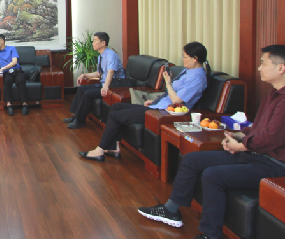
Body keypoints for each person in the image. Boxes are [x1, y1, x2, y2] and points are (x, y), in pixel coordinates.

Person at [137, 45, 285, 239]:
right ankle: (171, 210)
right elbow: (259, 128)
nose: (259, 68)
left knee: (213, 176)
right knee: (192, 160)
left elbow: (274, 137)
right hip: (259, 155)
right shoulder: (276, 95)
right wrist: (237, 136)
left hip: (281, 166)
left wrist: (242, 145)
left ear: (281, 68)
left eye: (263, 63)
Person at [79, 41, 210, 162]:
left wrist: (168, 83)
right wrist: (155, 100)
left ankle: (100, 150)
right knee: (116, 107)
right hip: (159, 106)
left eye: (185, 57)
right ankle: (113, 148)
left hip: (164, 113)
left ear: (195, 58)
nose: (182, 59)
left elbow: (177, 100)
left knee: (116, 115)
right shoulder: (189, 71)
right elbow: (171, 95)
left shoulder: (197, 78)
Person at [63, 31, 127, 128]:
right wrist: (84, 75)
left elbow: (111, 72)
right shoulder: (101, 56)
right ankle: (76, 116)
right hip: (104, 83)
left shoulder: (111, 55)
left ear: (103, 43)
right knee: (81, 89)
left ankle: (80, 121)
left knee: (89, 93)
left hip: (114, 86)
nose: (93, 43)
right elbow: (98, 74)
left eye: (95, 41)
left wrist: (105, 87)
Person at [0, 34, 29, 116]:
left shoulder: (12, 49)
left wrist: (2, 68)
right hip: (6, 73)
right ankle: (9, 105)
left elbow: (14, 62)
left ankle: (25, 104)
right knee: (7, 81)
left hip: (17, 70)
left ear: (2, 41)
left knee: (21, 80)